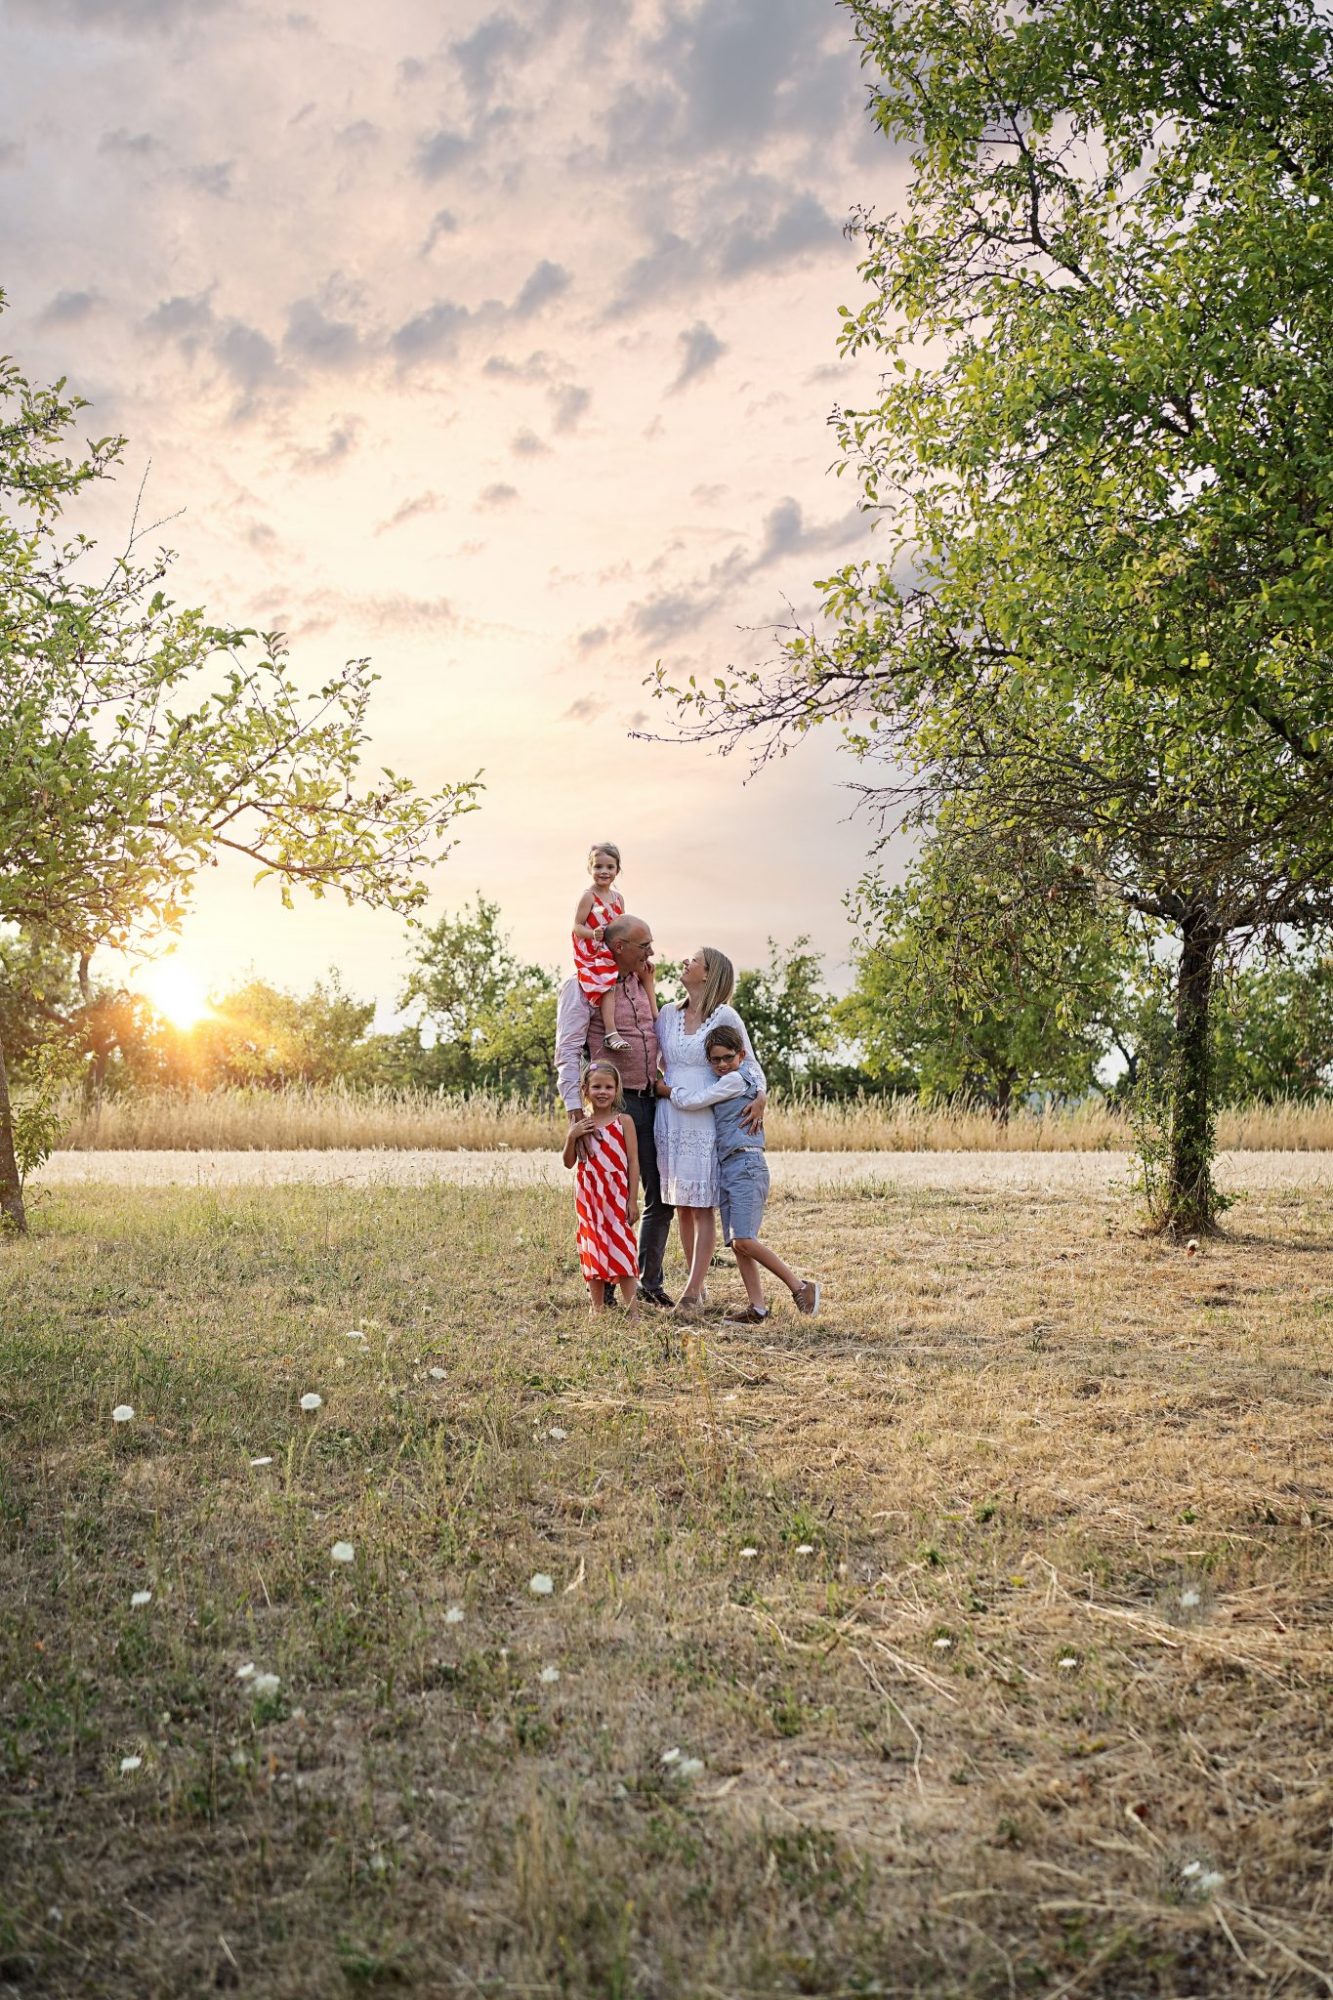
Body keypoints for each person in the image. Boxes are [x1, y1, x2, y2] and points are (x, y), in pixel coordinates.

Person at [555, 913, 675, 1306]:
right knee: (606, 1198)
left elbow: (654, 1036)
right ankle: (604, 1287)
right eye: (645, 946)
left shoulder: (642, 983)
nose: (652, 952)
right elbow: (569, 1050)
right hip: (610, 1110)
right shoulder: (582, 986)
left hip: (650, 1102)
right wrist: (576, 1111)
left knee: (660, 1195)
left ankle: (648, 1284)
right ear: (620, 947)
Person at [666, 1023, 819, 1323]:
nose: (722, 1064)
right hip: (731, 1166)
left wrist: (667, 1089)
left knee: (745, 1240)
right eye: (716, 1060)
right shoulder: (741, 1079)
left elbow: (693, 1100)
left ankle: (801, 1286)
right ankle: (757, 1307)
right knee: (737, 1243)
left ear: (742, 1055)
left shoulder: (735, 1080)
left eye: (728, 1057)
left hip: (746, 1164)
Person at [652, 946, 766, 1317]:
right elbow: (652, 1055)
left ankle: (690, 1293)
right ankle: (696, 1289)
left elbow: (751, 1067)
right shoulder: (668, 1013)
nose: (685, 962)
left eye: (693, 959)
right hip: (669, 1115)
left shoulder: (725, 1015)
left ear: (709, 972)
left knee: (702, 1206)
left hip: (703, 1114)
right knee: (683, 1204)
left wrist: (760, 1098)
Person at [562, 1059, 640, 1316]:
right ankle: (597, 1310)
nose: (602, 1092)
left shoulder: (623, 1121)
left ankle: (633, 1312)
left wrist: (632, 1200)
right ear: (585, 1090)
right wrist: (572, 1136)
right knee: (593, 1247)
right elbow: (569, 1162)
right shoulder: (582, 1124)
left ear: (617, 1090)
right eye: (596, 1086)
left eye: (608, 1086)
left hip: (617, 1195)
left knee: (624, 1248)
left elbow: (632, 1161)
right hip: (589, 1197)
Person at [571, 842, 657, 1053]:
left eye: (609, 867)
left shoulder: (618, 898)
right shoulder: (588, 896)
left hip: (614, 946)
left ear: (617, 870)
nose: (604, 872)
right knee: (609, 975)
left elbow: (622, 926)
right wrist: (593, 933)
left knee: (645, 968)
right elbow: (576, 927)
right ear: (590, 868)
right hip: (594, 949)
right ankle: (611, 1030)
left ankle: (655, 1019)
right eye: (598, 866)